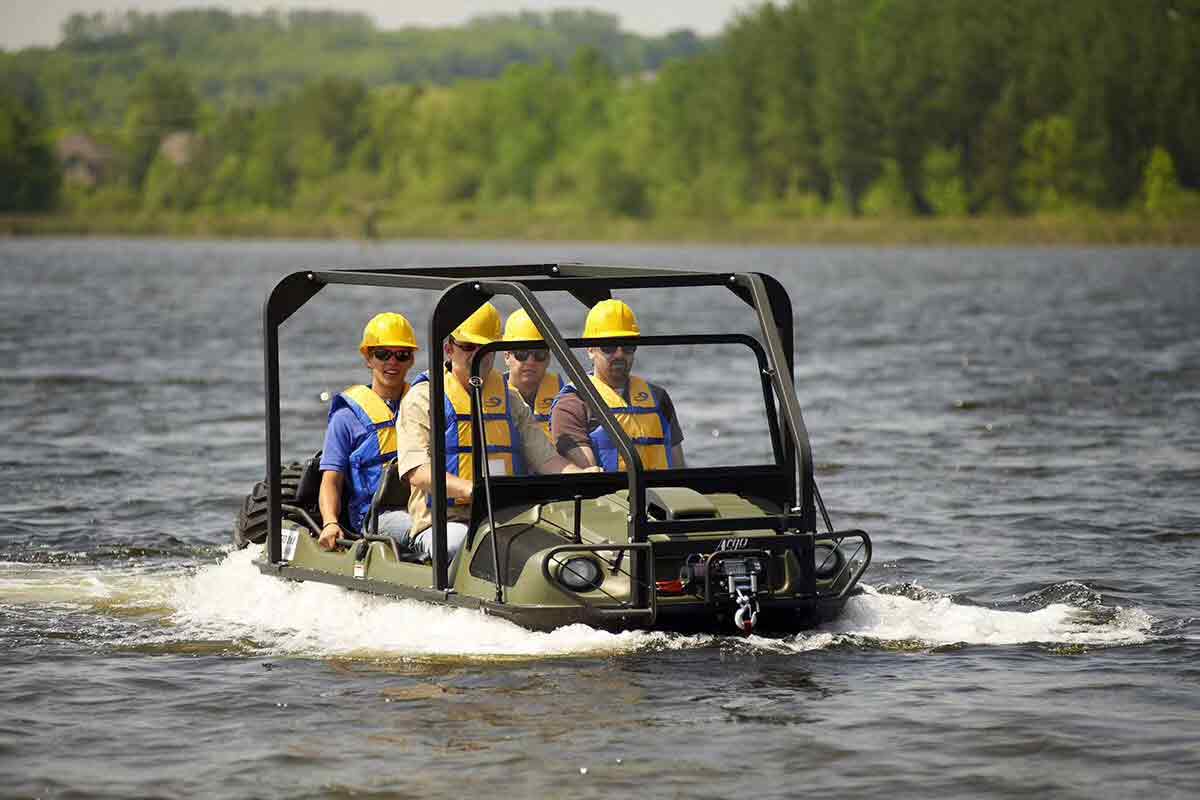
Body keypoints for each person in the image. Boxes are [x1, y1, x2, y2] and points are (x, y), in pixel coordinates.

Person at [394, 302, 599, 563]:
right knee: (457, 546)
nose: (478, 355)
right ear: (449, 349)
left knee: (563, 547)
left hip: (506, 515)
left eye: (486, 348)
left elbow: (547, 459)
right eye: (468, 347)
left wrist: (581, 476)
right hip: (446, 521)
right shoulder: (422, 399)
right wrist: (471, 490)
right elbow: (417, 471)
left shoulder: (510, 399)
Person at [317, 312, 418, 551]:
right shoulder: (346, 419)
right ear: (368, 358)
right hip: (376, 517)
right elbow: (331, 481)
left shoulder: (423, 405)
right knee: (429, 529)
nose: (392, 362)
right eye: (382, 354)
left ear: (411, 360)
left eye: (401, 355)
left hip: (423, 504)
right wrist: (330, 522)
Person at [551, 299, 685, 471]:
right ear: (590, 349)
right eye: (609, 346)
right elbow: (588, 472)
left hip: (661, 495)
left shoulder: (659, 398)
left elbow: (679, 465)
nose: (619, 354)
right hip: (609, 496)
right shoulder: (571, 403)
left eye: (627, 346)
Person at [502, 308, 562, 441]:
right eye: (521, 353)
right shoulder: (490, 397)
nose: (530, 361)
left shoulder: (567, 398)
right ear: (506, 356)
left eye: (539, 354)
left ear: (548, 358)